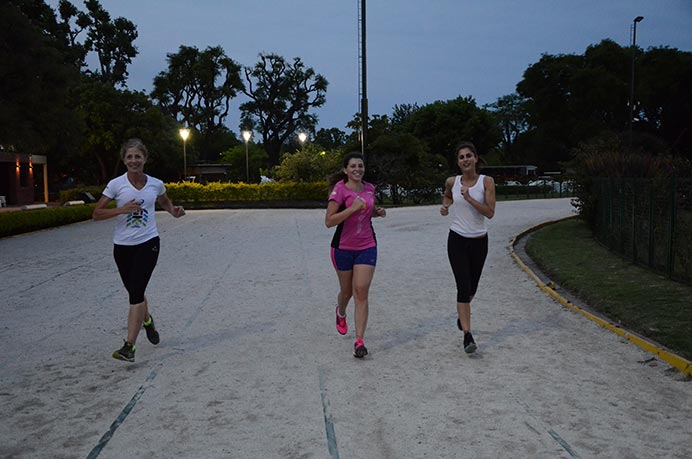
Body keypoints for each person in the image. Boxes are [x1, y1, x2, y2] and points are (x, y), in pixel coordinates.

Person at [93, 138, 186, 362]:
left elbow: (164, 201)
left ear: (145, 159)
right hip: (123, 247)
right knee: (135, 291)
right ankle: (147, 322)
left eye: (138, 156)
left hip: (148, 243)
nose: (134, 161)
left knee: (135, 293)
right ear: (124, 160)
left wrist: (173, 210)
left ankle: (129, 347)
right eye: (129, 157)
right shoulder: (116, 185)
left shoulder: (155, 183)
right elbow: (96, 214)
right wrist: (121, 210)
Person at [325, 152, 386, 358]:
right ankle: (340, 312)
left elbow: (366, 211)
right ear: (345, 170)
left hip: (367, 245)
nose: (357, 169)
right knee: (347, 293)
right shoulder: (339, 190)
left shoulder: (369, 188)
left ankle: (359, 341)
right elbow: (330, 221)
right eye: (353, 166)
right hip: (342, 248)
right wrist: (352, 208)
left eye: (360, 165)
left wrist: (377, 211)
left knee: (360, 291)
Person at [440, 141, 496, 354]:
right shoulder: (452, 181)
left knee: (472, 289)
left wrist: (469, 198)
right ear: (458, 162)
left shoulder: (486, 182)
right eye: (461, 157)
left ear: (475, 158)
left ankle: (461, 316)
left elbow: (490, 213)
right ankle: (467, 336)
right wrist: (445, 206)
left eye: (468, 156)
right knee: (463, 287)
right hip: (457, 239)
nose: (465, 160)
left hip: (479, 241)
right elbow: (447, 195)